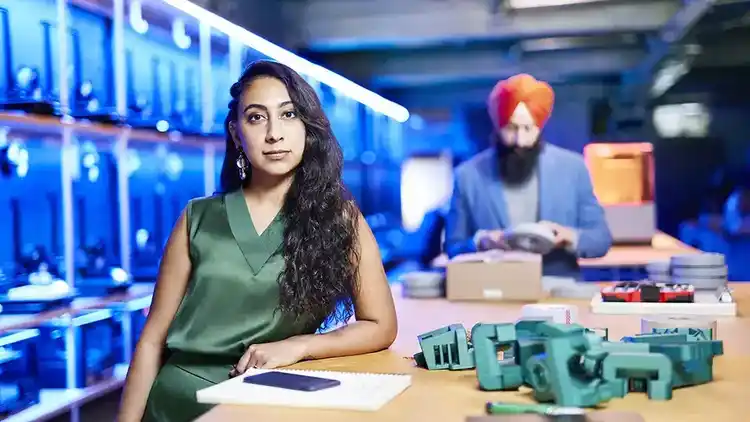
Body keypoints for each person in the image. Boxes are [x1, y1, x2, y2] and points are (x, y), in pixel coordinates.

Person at [117, 60, 398, 422]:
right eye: (256, 118)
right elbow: (152, 341)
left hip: (265, 402)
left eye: (288, 115)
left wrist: (299, 346)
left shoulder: (340, 219)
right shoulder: (197, 218)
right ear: (236, 134)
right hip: (177, 404)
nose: (274, 134)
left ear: (308, 127)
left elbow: (381, 325)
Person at [444, 73, 612, 278]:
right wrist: (482, 241)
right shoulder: (468, 176)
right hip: (493, 291)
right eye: (511, 128)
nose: (520, 140)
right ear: (498, 126)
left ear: (539, 127)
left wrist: (567, 237)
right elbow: (453, 247)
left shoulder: (573, 168)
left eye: (528, 129)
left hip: (558, 290)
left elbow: (600, 240)